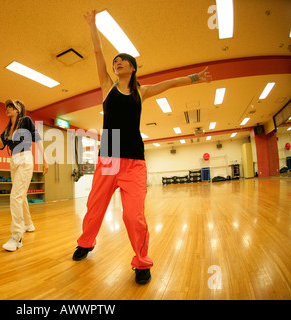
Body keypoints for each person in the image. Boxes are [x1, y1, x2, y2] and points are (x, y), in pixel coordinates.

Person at [73, 10, 212, 284]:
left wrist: (194, 78)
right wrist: (93, 26)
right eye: (116, 62)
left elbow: (169, 84)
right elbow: (98, 54)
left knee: (133, 215)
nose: (117, 63)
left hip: (134, 159)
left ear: (133, 67)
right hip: (109, 153)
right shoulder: (106, 87)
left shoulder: (141, 91)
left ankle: (141, 262)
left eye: (122, 60)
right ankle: (86, 242)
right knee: (94, 207)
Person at [0, 99, 48, 252]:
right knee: (20, 196)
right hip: (14, 162)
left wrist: (45, 160)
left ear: (18, 110)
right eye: (7, 107)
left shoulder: (26, 121)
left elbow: (38, 139)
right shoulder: (8, 128)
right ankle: (28, 224)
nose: (8, 109)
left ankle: (17, 236)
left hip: (25, 159)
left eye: (11, 107)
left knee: (15, 196)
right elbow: (1, 145)